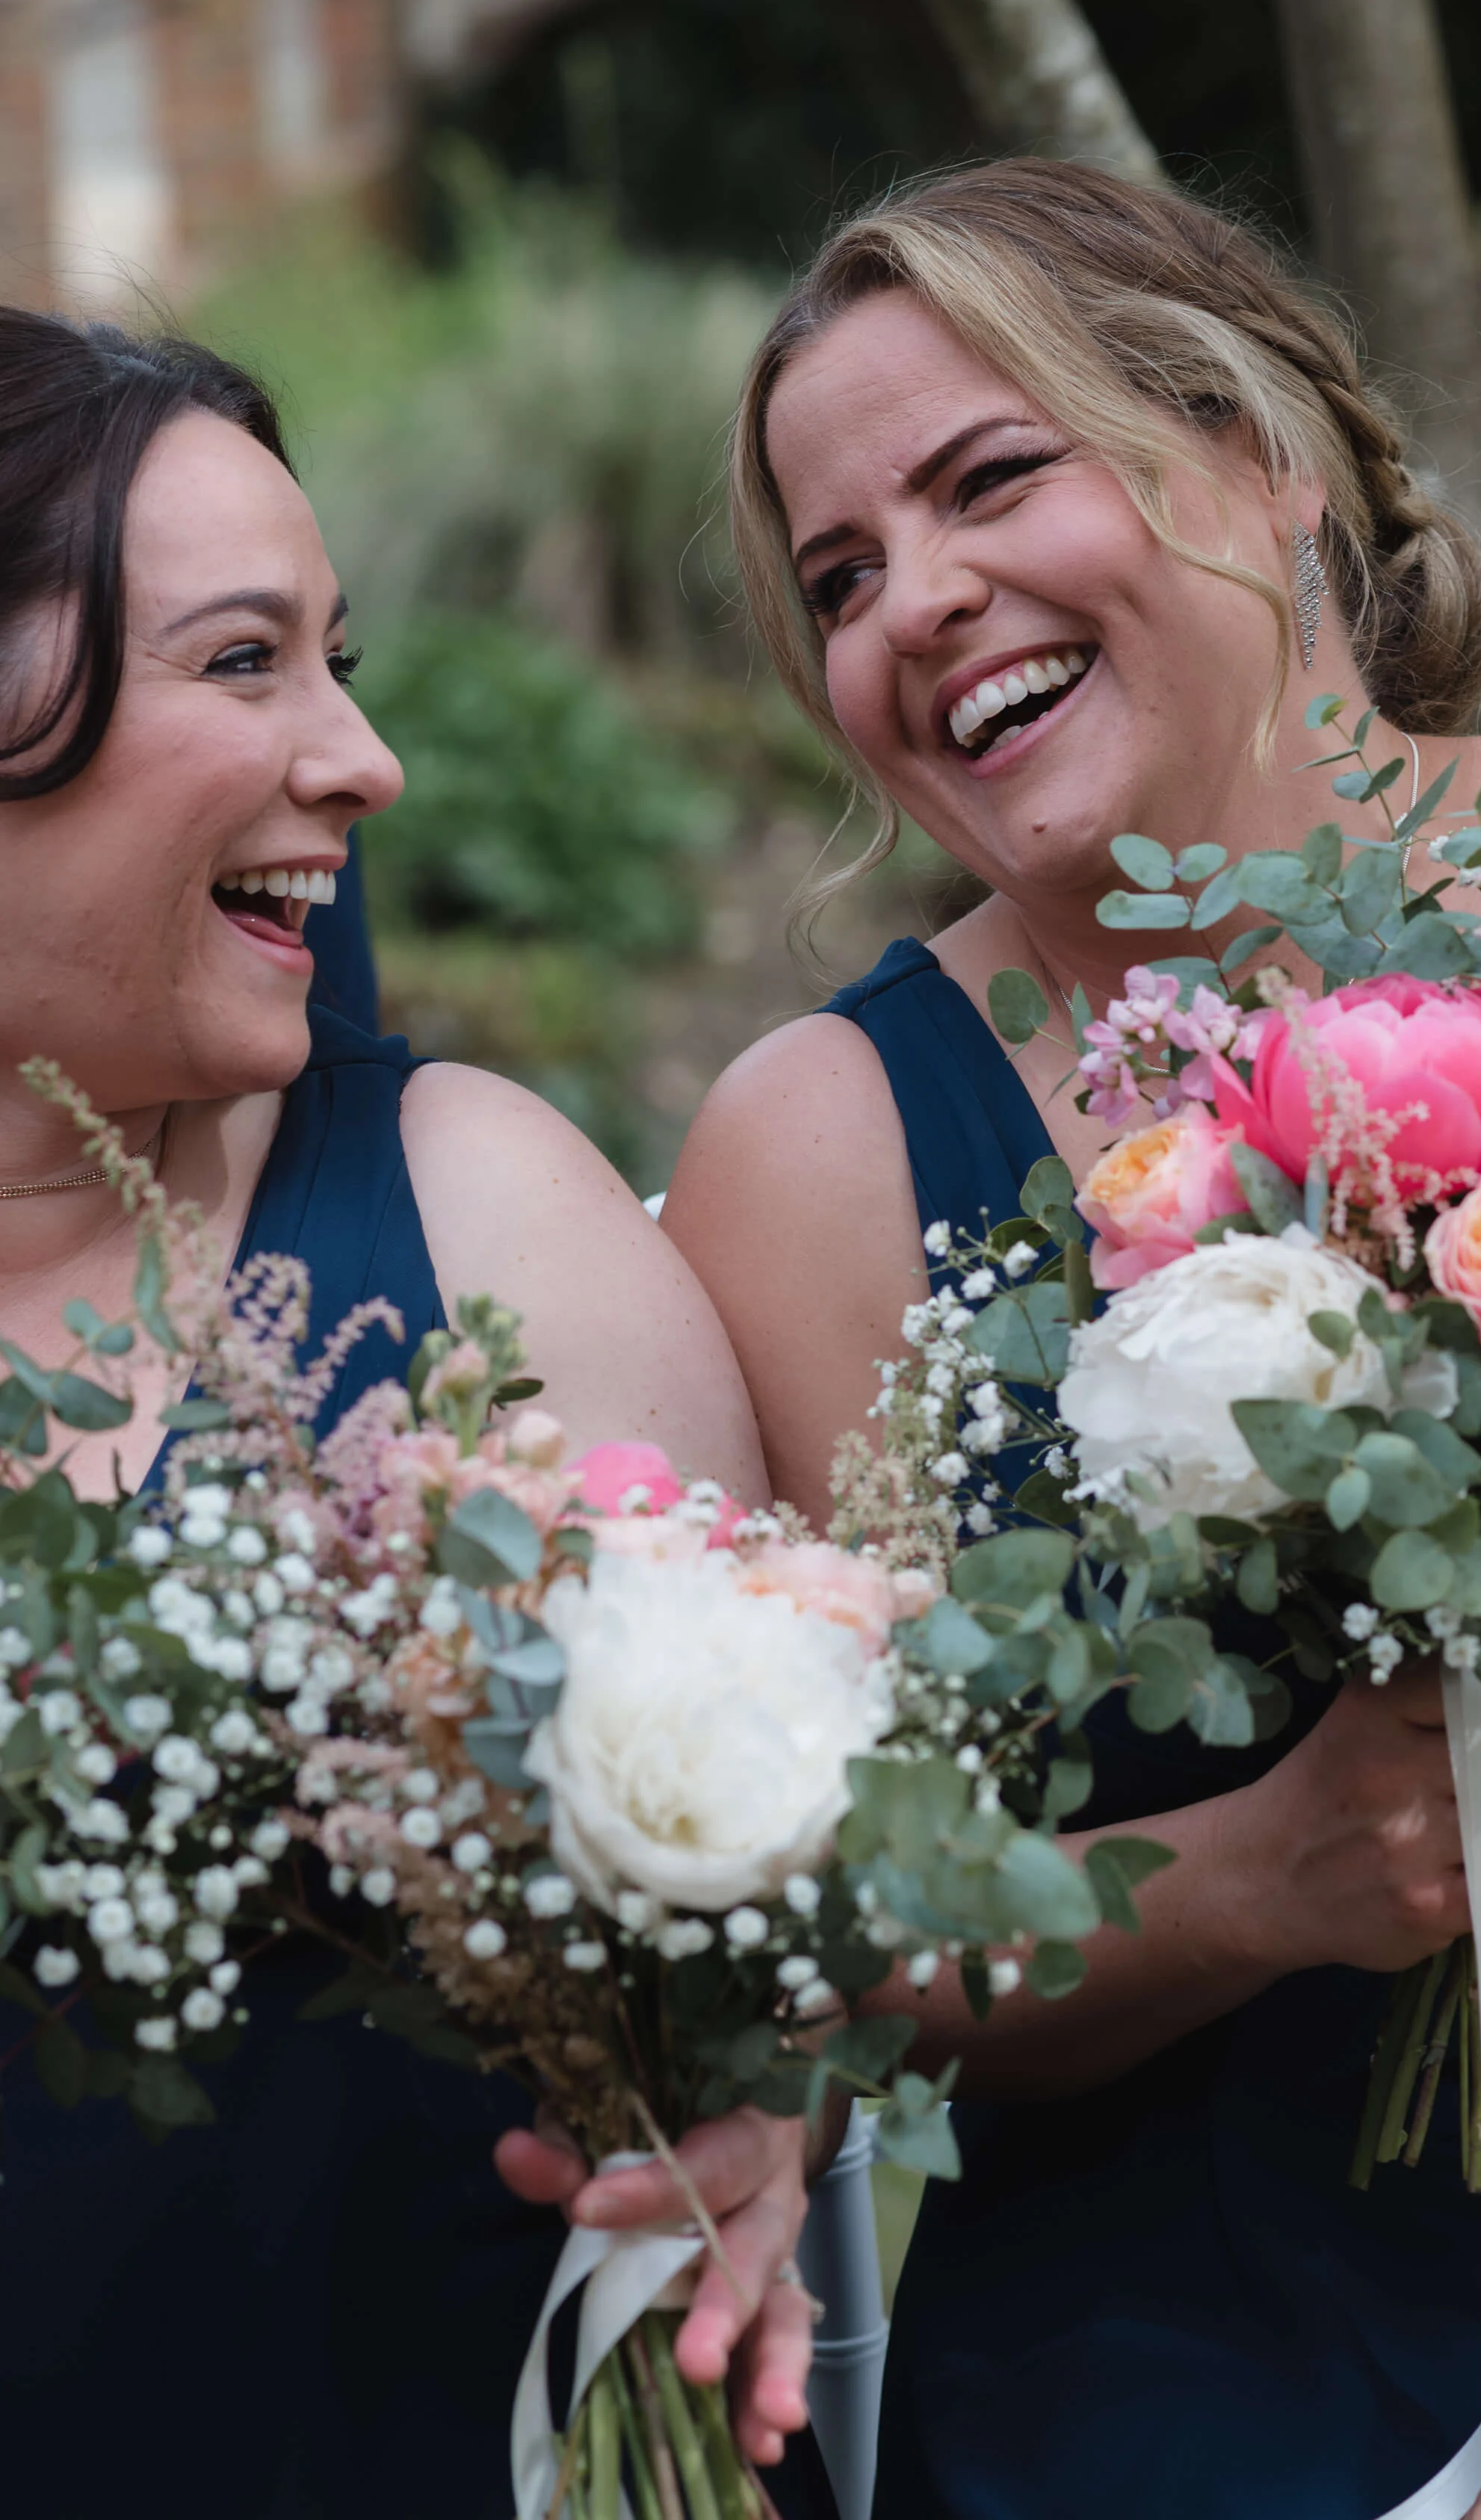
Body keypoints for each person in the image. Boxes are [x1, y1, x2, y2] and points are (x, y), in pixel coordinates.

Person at [667, 160, 1481, 2519]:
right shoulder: (824, 1149)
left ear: (1265, 451)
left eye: (992, 478)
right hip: (1198, 2303)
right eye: (839, 575)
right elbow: (846, 1949)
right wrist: (1252, 1875)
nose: (916, 605)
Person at [0, 311, 834, 2520]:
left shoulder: (476, 1221)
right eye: (247, 661)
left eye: (335, 657)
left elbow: (772, 1932)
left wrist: (771, 2117)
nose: (362, 759)